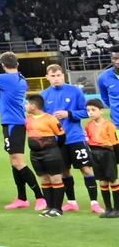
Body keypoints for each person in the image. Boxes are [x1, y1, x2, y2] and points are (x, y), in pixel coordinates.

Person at [0, 43, 37, 209]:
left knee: (18, 162)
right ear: (17, 64)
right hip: (15, 123)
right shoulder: (17, 78)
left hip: (12, 124)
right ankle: (22, 198)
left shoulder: (6, 79)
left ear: (3, 65)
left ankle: (40, 196)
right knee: (14, 161)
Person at [41, 64, 96, 213]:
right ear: (47, 77)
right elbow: (41, 117)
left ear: (63, 76)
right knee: (64, 171)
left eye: (58, 75)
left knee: (86, 168)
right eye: (53, 76)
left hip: (75, 138)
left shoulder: (75, 91)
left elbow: (86, 112)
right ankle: (72, 202)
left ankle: (94, 202)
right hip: (57, 140)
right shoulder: (44, 95)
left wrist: (69, 114)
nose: (56, 78)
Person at [25, 94, 68, 217]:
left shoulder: (50, 119)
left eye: (27, 104)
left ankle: (57, 209)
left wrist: (55, 149)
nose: (25, 106)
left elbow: (61, 136)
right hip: (35, 154)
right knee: (44, 180)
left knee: (55, 179)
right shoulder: (28, 119)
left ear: (33, 106)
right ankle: (49, 207)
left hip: (51, 153)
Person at [84, 99, 119, 218]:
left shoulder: (109, 125)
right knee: (102, 180)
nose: (90, 113)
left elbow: (115, 143)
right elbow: (88, 141)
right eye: (88, 110)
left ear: (101, 111)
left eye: (93, 110)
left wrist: (116, 159)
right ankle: (108, 208)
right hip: (95, 153)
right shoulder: (88, 126)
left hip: (107, 153)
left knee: (113, 179)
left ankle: (117, 208)